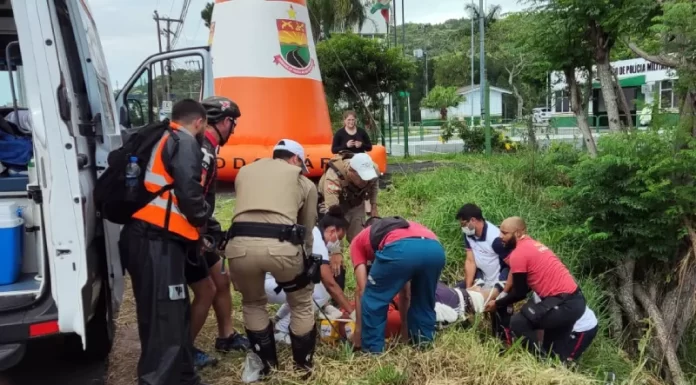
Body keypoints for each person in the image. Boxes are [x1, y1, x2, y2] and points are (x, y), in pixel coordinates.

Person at [118, 99, 211, 385]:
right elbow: (188, 188)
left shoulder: (164, 137)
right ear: (198, 122)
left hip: (155, 238)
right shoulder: (184, 142)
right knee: (165, 318)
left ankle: (182, 377)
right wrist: (202, 217)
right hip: (154, 238)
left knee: (172, 312)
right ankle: (160, 380)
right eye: (204, 126)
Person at [224, 139, 319, 377]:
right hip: (282, 250)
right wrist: (307, 261)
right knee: (301, 303)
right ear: (296, 160)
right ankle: (302, 368)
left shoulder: (245, 173)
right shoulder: (303, 182)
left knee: (253, 303)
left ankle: (265, 367)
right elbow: (307, 229)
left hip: (238, 249)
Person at [185, 96, 249, 369]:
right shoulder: (203, 151)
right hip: (190, 231)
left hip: (203, 227)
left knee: (222, 279)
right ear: (224, 122)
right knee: (206, 290)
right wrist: (200, 234)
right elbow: (193, 196)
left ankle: (226, 335)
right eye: (232, 124)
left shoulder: (209, 147)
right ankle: (183, 350)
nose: (232, 130)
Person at [485, 217, 586, 360]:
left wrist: (497, 303)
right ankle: (551, 366)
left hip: (564, 303)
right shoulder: (532, 245)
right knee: (554, 352)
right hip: (575, 301)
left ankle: (538, 360)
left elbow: (520, 293)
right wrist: (505, 294)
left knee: (518, 322)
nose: (500, 236)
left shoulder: (519, 253)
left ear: (519, 233)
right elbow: (524, 287)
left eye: (505, 233)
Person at [350, 216, 446, 353]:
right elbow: (405, 294)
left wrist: (358, 332)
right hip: (435, 249)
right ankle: (424, 345)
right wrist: (404, 333)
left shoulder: (358, 241)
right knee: (424, 301)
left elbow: (362, 290)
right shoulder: (399, 228)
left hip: (401, 249)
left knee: (373, 299)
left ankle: (373, 352)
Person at [264, 206, 352, 344]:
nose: (336, 243)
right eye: (338, 238)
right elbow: (330, 284)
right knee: (321, 293)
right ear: (332, 231)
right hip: (271, 283)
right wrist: (352, 312)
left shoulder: (312, 233)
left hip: (269, 280)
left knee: (306, 285)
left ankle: (280, 319)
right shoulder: (316, 240)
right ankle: (282, 330)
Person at [455, 203, 512, 340]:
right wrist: (469, 288)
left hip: (499, 282)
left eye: (463, 224)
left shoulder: (495, 239)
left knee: (500, 326)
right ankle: (469, 333)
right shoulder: (469, 234)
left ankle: (502, 341)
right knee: (454, 297)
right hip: (481, 278)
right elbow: (470, 261)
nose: (462, 228)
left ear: (473, 220)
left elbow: (512, 266)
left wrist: (500, 290)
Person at [317, 152, 380, 242]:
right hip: (333, 205)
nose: (365, 182)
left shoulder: (374, 169)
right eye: (362, 177)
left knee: (359, 238)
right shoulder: (334, 177)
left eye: (367, 178)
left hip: (356, 202)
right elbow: (332, 210)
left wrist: (373, 205)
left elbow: (374, 184)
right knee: (335, 238)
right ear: (351, 171)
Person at [531, 292, 598, 363]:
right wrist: (540, 346)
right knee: (547, 351)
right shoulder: (537, 295)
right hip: (561, 322)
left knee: (562, 360)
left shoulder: (560, 294)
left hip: (583, 328)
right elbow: (540, 323)